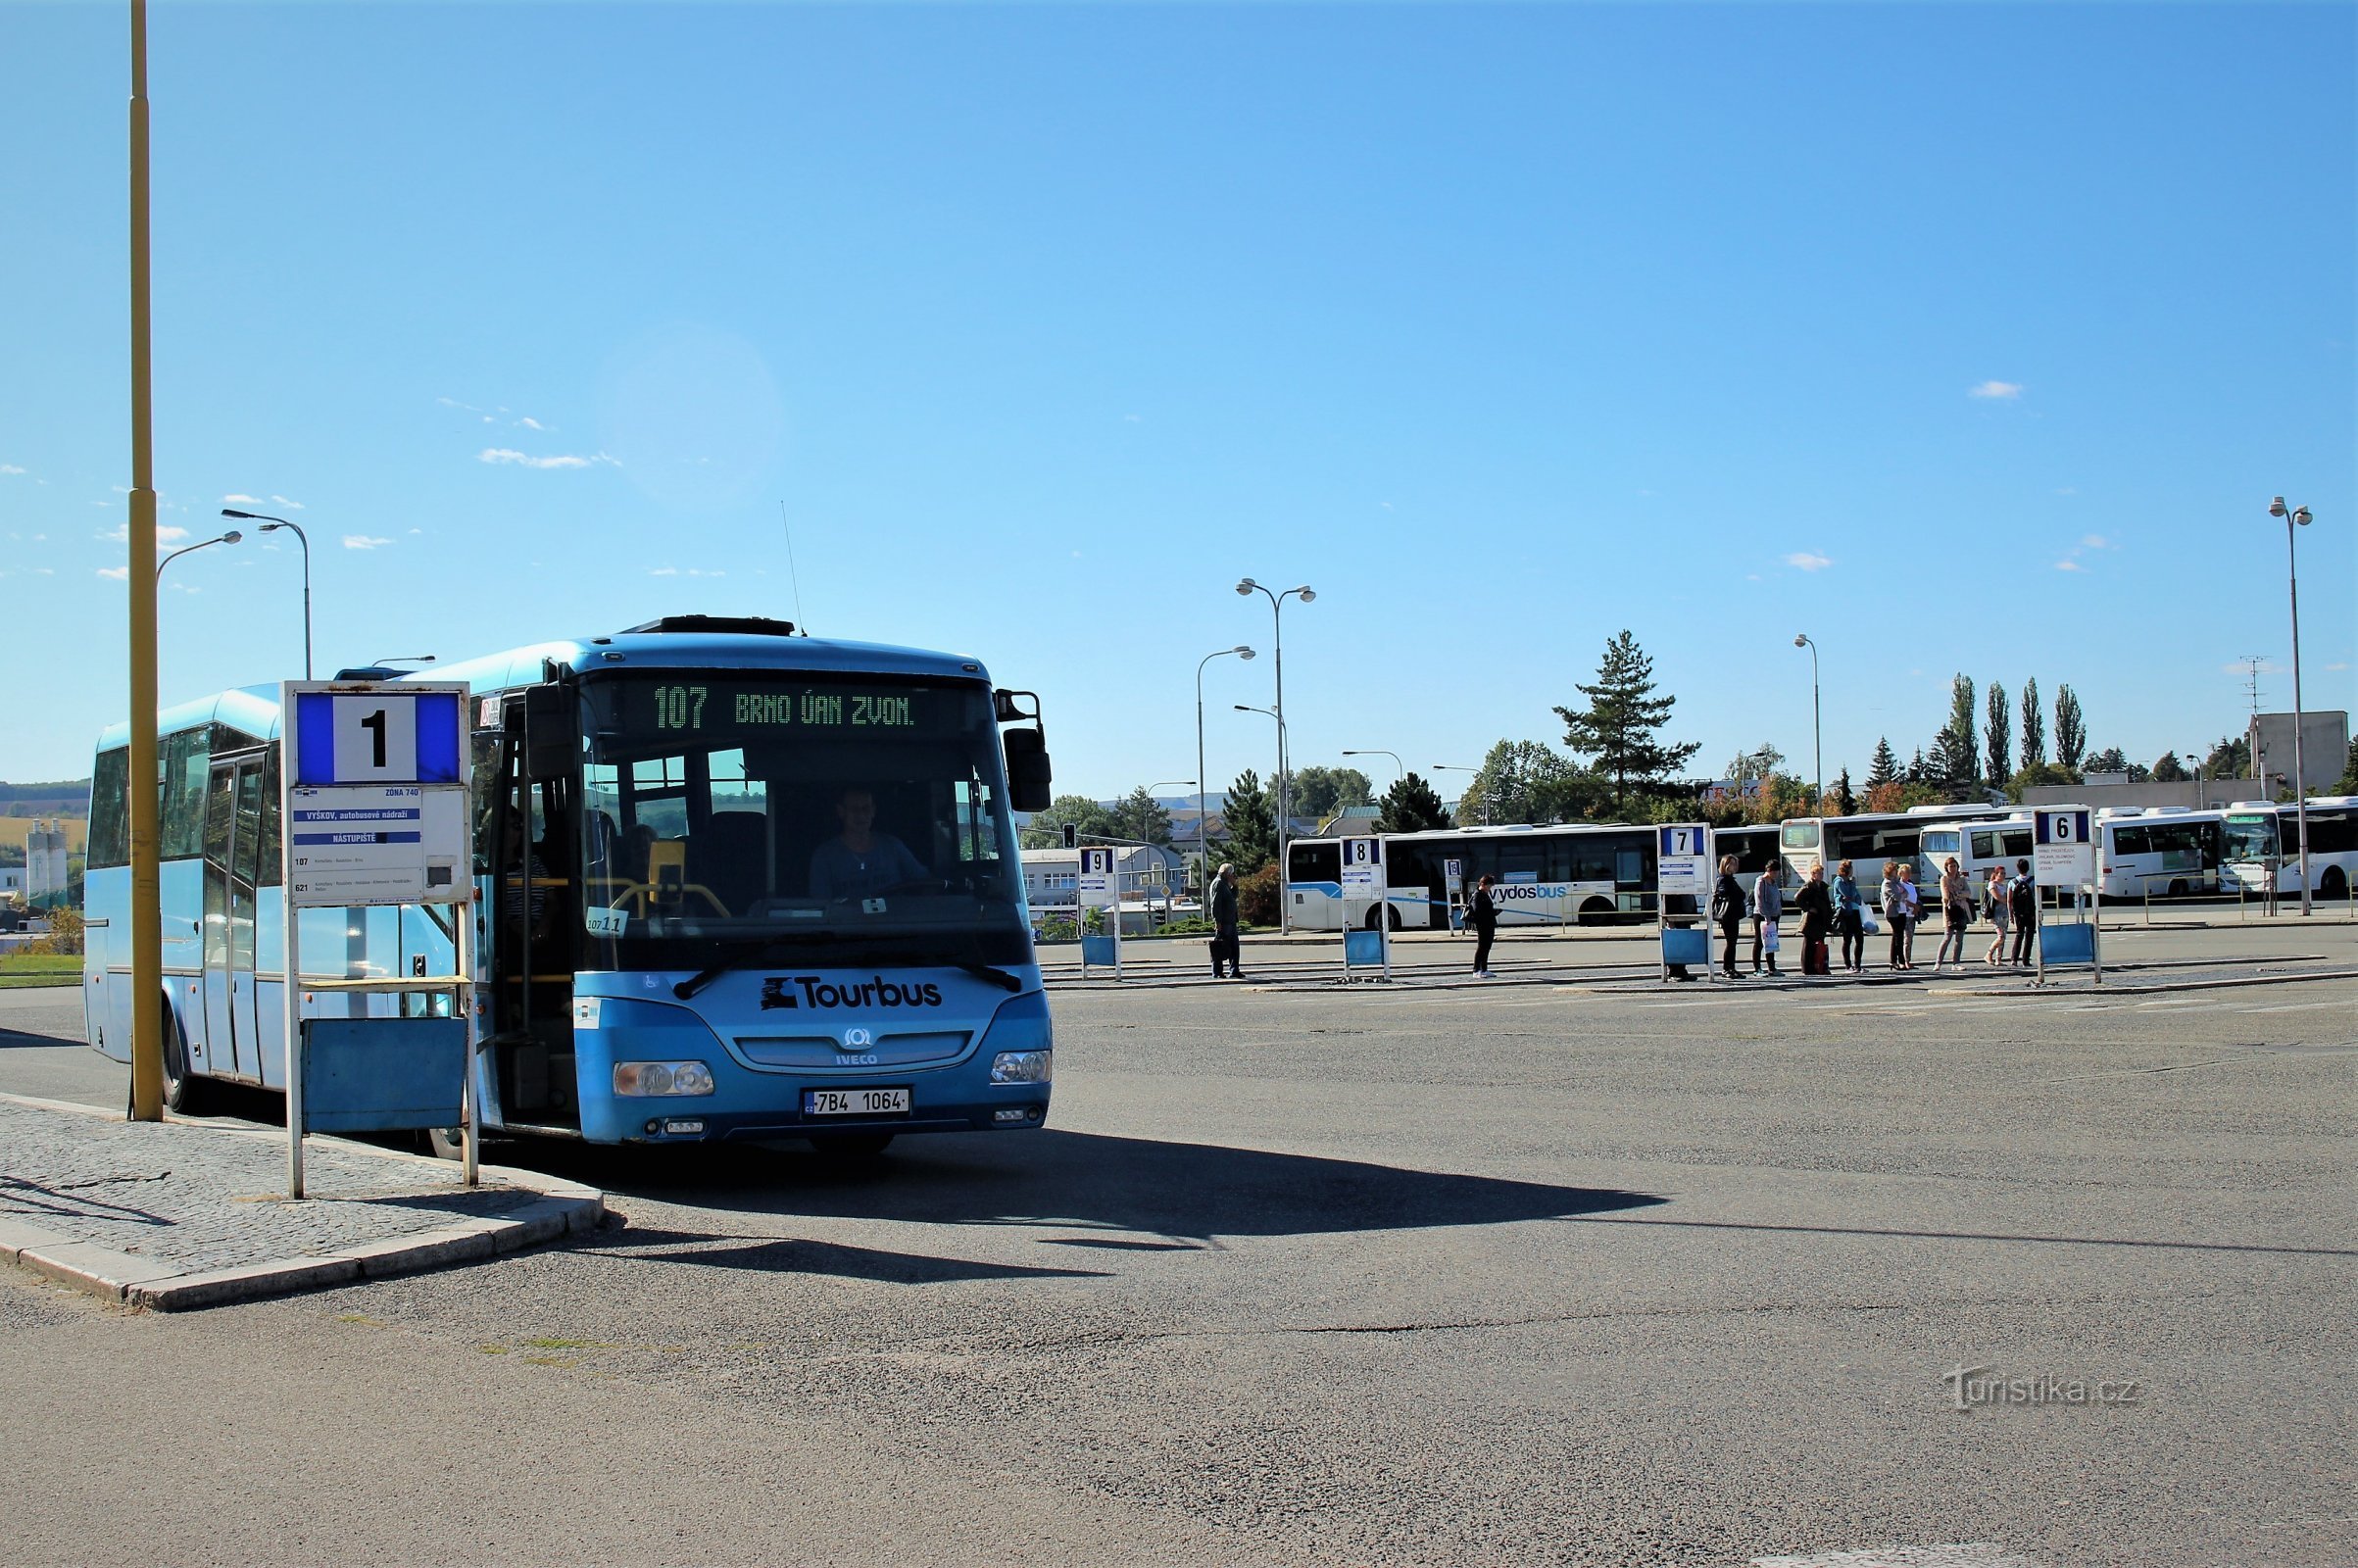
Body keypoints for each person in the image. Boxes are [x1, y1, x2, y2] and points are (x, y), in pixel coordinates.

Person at [808, 786, 928, 901]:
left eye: (866, 808)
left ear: (873, 811)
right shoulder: (824, 856)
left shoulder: (893, 847)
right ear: (841, 812)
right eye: (854, 809)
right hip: (844, 921)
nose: (861, 815)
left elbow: (925, 883)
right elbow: (821, 906)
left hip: (893, 920)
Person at [1793, 862, 1834, 976]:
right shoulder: (1809, 886)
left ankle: (1819, 966)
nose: (1821, 875)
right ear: (1813, 874)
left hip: (1821, 919)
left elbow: (1826, 903)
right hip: (1811, 920)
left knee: (1819, 944)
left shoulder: (1823, 886)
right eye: (1818, 873)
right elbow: (1797, 898)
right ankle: (1807, 969)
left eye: (1822, 873)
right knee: (1809, 946)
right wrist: (1808, 908)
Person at [1711, 855, 1746, 979]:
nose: (1734, 866)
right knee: (1730, 942)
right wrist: (1738, 895)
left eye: (1735, 864)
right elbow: (1725, 892)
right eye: (1731, 864)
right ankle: (1727, 969)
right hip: (1728, 915)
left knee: (1733, 943)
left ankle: (1731, 967)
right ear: (1725, 865)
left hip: (1733, 914)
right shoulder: (1723, 879)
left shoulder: (1730, 879)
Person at [1933, 856, 1971, 970]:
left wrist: (1958, 894)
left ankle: (1956, 963)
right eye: (1950, 866)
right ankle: (1938, 962)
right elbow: (1945, 894)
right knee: (1947, 936)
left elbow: (1968, 892)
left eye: (1954, 866)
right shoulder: (1944, 879)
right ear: (1946, 867)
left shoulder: (1962, 879)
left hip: (1961, 908)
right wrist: (1948, 898)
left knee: (1959, 938)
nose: (1953, 868)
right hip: (1950, 910)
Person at [1208, 862, 1244, 979]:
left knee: (1234, 947)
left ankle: (1234, 970)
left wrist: (1235, 886)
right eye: (1232, 874)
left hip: (1231, 921)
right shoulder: (1218, 884)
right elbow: (1215, 904)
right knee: (1220, 947)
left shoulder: (1225, 884)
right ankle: (1217, 971)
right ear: (1227, 874)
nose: (1233, 876)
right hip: (1224, 922)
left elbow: (1232, 898)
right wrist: (1217, 921)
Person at [1751, 857, 1785, 976]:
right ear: (1769, 870)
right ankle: (1757, 968)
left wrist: (1778, 911)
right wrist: (1766, 916)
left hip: (1774, 915)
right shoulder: (1761, 881)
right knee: (1759, 941)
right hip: (1762, 915)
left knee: (1771, 942)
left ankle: (1772, 967)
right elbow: (1759, 900)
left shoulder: (1773, 882)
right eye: (1774, 872)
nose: (1776, 874)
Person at [1833, 858, 1866, 974]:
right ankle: (1848, 965)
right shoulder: (1839, 881)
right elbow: (1849, 894)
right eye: (1851, 868)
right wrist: (1852, 885)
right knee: (1847, 940)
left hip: (1855, 910)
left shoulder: (1849, 881)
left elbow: (1857, 897)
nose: (1852, 871)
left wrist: (1854, 896)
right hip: (1846, 912)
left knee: (1859, 939)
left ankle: (1858, 965)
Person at [1468, 873, 1500, 978]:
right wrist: (1491, 912)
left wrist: (1494, 912)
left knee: (1487, 947)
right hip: (1482, 924)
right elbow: (1477, 911)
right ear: (1483, 884)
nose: (1489, 888)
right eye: (1489, 886)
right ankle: (1476, 970)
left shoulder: (1484, 894)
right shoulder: (1477, 895)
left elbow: (1486, 909)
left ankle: (1484, 969)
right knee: (1481, 947)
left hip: (1489, 923)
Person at [2008, 858, 2038, 965]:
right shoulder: (2033, 881)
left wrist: (2011, 914)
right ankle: (2026, 960)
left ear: (2017, 869)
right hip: (2030, 912)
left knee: (2019, 934)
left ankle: (2014, 959)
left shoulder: (2012, 882)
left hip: (2018, 913)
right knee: (2029, 935)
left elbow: (2009, 900)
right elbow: (2037, 897)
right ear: (2028, 868)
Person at [1881, 858, 1908, 971]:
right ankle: (1900, 961)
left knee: (1897, 936)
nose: (1896, 872)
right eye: (1894, 870)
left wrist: (1902, 894)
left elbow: (1906, 893)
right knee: (1898, 937)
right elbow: (1897, 896)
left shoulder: (1896, 882)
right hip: (1893, 913)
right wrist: (1901, 895)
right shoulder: (1887, 883)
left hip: (1902, 911)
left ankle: (1893, 961)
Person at [1983, 865, 2011, 965]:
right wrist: (2008, 901)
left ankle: (1999, 959)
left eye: (2004, 873)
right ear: (1995, 874)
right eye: (2001, 873)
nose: (2003, 875)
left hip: (2005, 913)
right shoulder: (1992, 884)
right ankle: (1989, 954)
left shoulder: (2004, 885)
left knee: (2004, 937)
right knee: (2000, 936)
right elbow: (1997, 897)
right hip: (1996, 914)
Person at [1897, 862, 1923, 968]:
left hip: (1912, 914)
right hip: (1905, 913)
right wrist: (1914, 906)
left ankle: (1908, 959)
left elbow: (1914, 898)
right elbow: (1903, 900)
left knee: (1910, 938)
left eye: (1909, 872)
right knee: (1906, 938)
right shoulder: (1900, 885)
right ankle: (1905, 960)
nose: (1908, 874)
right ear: (1901, 873)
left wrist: (1916, 908)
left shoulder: (1911, 885)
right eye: (1906, 872)